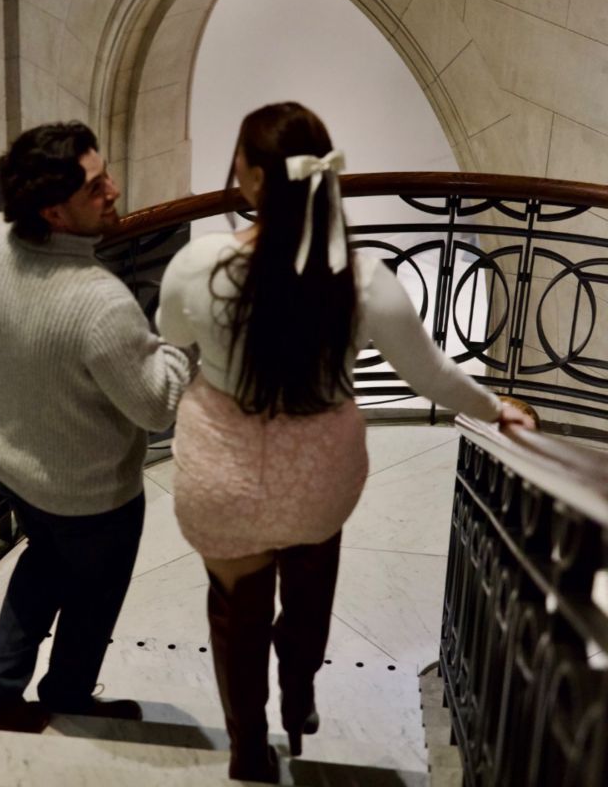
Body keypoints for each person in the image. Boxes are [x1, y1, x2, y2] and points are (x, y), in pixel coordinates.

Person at [156, 102, 534, 783]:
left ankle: (248, 749)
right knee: (309, 594)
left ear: (254, 179)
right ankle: (299, 689)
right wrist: (497, 408)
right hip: (318, 478)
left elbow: (172, 336)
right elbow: (432, 375)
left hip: (223, 475)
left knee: (237, 616)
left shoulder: (200, 265)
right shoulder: (362, 281)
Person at [0, 121, 195, 734]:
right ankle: (67, 695)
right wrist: (182, 335)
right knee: (92, 598)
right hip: (91, 493)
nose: (113, 190)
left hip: (13, 459)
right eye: (95, 187)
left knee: (44, 561)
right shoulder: (98, 303)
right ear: (54, 213)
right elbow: (157, 406)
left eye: (104, 173)